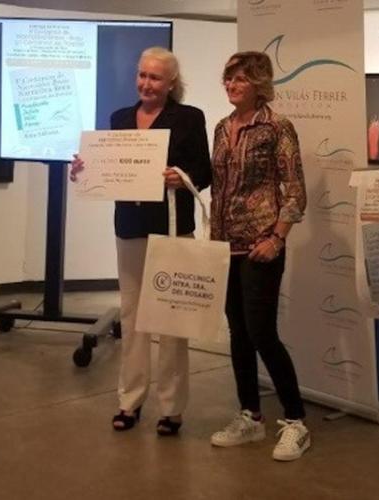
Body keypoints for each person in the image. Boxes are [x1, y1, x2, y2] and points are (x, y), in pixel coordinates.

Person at [70, 47, 212, 436]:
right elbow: (106, 170)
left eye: (155, 77)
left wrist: (181, 177)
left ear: (171, 82)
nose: (146, 84)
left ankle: (172, 408)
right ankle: (129, 401)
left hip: (172, 229)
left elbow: (204, 171)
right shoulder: (119, 118)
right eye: (142, 75)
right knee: (133, 318)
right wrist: (82, 170)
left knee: (172, 320)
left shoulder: (189, 117)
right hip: (130, 227)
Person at [207, 51, 309, 462]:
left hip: (260, 246)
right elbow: (218, 185)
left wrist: (278, 238)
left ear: (260, 84)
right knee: (238, 333)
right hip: (224, 246)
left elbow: (295, 189)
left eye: (241, 79)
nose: (232, 85)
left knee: (262, 332)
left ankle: (296, 421)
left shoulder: (277, 127)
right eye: (228, 78)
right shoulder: (221, 127)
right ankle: (250, 415)